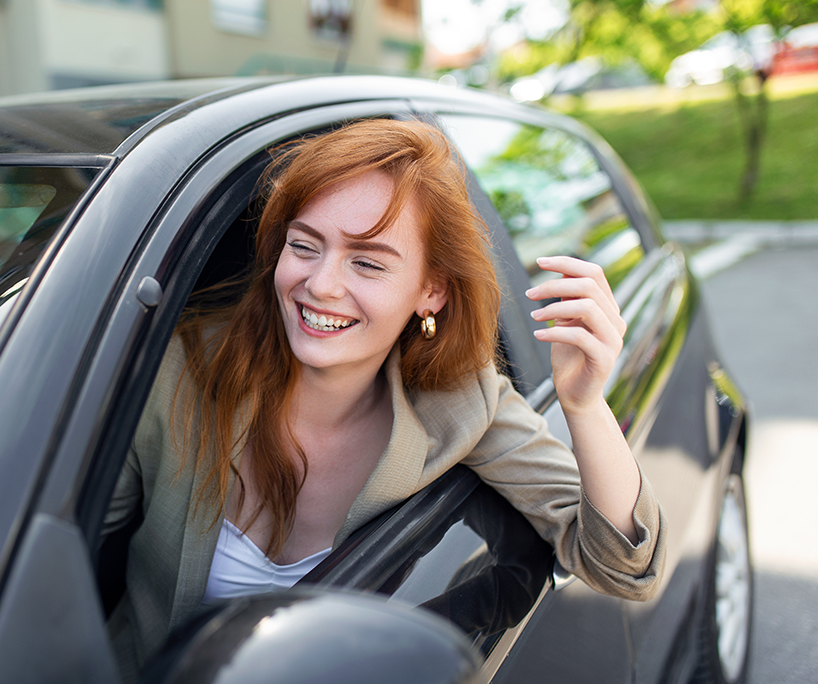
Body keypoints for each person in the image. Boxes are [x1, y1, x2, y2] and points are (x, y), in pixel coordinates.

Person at [105, 118, 666, 676]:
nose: (321, 284)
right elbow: (61, 551)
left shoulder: (461, 404)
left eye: (367, 262)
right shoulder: (179, 370)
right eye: (304, 245)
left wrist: (584, 405)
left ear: (431, 291)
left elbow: (623, 566)